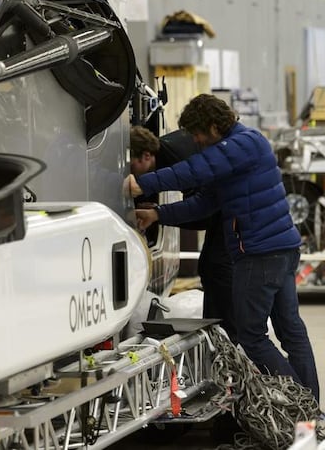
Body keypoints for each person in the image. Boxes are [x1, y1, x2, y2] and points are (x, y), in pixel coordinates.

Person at [127, 94, 320, 403]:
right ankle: (311, 412)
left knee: (251, 335)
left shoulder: (243, 144)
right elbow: (204, 203)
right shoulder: (236, 157)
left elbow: (194, 170)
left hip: (259, 254)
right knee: (290, 330)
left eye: (197, 133)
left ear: (215, 127)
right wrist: (158, 214)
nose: (195, 140)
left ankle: (300, 405)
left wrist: (141, 183)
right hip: (279, 250)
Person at [130, 125, 237, 343]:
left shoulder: (179, 158)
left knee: (216, 269)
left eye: (133, 166)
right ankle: (222, 336)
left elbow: (205, 213)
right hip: (226, 212)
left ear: (147, 155)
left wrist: (159, 214)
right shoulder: (167, 150)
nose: (133, 175)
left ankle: (228, 339)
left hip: (228, 214)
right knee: (209, 268)